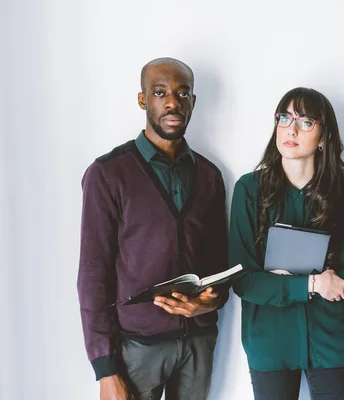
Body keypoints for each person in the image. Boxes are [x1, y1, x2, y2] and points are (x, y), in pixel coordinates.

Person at [77, 57, 228, 400]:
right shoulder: (108, 174)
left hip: (198, 343)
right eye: (160, 92)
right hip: (136, 347)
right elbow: (92, 273)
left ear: (193, 101)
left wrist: (210, 303)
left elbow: (221, 265)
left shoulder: (209, 176)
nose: (173, 102)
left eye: (182, 93)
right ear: (143, 99)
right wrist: (105, 370)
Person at [229, 87, 344, 400]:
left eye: (306, 122)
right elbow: (244, 279)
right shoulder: (249, 188)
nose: (291, 129)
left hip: (331, 337)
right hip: (269, 340)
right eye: (284, 118)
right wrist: (313, 283)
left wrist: (288, 280)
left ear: (325, 137)